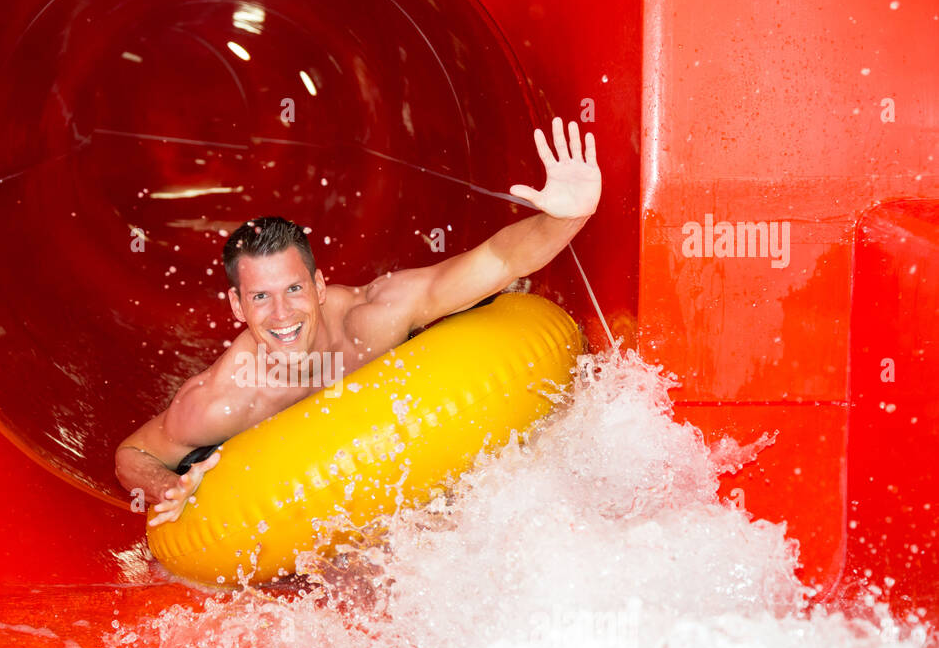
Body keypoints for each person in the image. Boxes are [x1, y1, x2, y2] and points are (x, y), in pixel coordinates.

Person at [116, 117, 600, 526]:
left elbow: (496, 260)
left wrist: (565, 219)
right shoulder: (224, 400)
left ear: (321, 286)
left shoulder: (373, 317)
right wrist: (171, 487)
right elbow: (133, 454)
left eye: (294, 290)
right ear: (237, 308)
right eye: (260, 297)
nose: (281, 314)